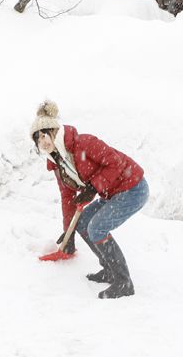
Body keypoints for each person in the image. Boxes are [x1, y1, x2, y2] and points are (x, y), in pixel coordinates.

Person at [30, 100, 149, 299]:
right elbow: (67, 197)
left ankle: (123, 282)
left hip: (132, 188)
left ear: (54, 131)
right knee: (83, 222)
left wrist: (94, 186)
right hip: (110, 193)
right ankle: (109, 269)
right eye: (37, 139)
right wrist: (69, 234)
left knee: (97, 228)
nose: (43, 142)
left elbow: (115, 163)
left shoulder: (83, 143)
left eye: (44, 135)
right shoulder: (57, 164)